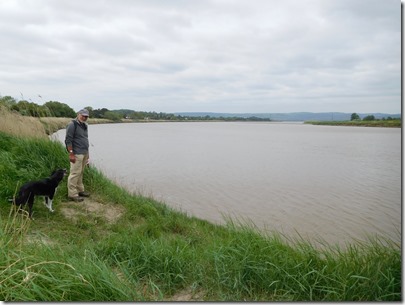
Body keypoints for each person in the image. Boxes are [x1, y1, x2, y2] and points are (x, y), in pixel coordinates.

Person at [65, 108, 90, 202]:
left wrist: (88, 155)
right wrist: (71, 154)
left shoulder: (85, 125)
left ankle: (80, 190)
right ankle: (72, 194)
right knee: (75, 173)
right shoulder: (72, 124)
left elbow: (85, 139)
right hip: (76, 153)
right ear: (78, 114)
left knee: (81, 172)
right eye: (83, 115)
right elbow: (68, 140)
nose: (84, 117)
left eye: (86, 116)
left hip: (84, 153)